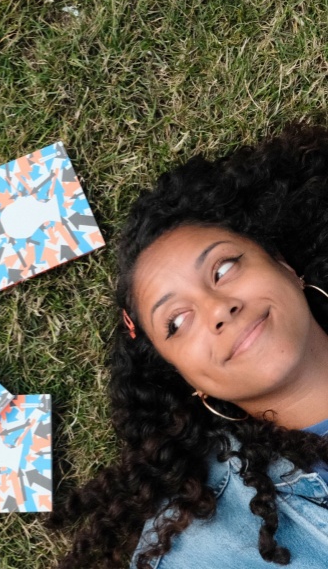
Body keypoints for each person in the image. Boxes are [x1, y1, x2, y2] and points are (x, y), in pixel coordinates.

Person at [53, 123, 328, 568]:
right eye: (177, 322)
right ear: (188, 381)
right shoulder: (208, 551)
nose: (218, 309)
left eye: (222, 270)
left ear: (286, 268)